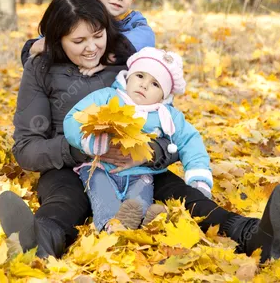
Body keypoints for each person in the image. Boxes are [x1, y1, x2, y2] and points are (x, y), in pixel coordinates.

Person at [0, 0, 280, 264]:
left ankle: (254, 235)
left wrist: (148, 152)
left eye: (98, 36)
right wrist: (82, 151)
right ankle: (39, 241)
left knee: (185, 196)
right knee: (65, 203)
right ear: (56, 41)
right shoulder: (41, 70)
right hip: (69, 167)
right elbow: (26, 148)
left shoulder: (132, 65)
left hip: (140, 164)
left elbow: (171, 127)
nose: (92, 47)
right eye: (79, 41)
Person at [64, 47, 213, 233]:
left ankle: (145, 222)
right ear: (128, 77)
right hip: (101, 168)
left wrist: (199, 179)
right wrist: (90, 142)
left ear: (164, 95)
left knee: (139, 197)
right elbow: (73, 118)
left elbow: (190, 141)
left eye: (155, 84)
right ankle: (110, 225)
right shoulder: (107, 97)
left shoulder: (166, 115)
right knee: (102, 193)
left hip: (140, 172)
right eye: (140, 76)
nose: (144, 85)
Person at [21, 0, 155, 69]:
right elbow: (47, 38)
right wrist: (32, 49)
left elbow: (146, 36)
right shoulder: (78, 12)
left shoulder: (131, 20)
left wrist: (110, 51)